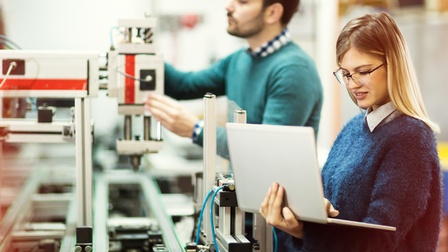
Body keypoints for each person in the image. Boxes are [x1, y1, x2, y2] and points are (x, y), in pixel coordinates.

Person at [259, 11, 442, 251]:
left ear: (394, 65)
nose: (353, 84)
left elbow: (379, 240)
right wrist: (305, 215)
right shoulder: (355, 127)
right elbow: (334, 214)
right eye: (346, 74)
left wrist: (306, 231)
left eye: (363, 71)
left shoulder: (411, 138)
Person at [144, 0, 323, 159]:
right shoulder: (238, 60)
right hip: (244, 192)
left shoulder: (293, 70)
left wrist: (196, 130)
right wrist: (142, 53)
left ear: (272, 13)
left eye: (242, 2)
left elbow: (266, 152)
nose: (228, 6)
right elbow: (183, 86)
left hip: (276, 196)